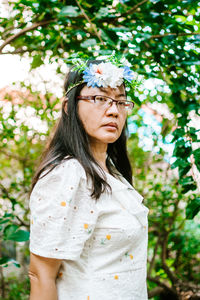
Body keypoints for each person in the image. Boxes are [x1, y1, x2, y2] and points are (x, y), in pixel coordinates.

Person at [28, 58, 149, 300]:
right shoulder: (68, 175)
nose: (114, 110)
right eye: (100, 98)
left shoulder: (111, 171)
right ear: (68, 107)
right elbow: (42, 274)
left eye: (120, 101)